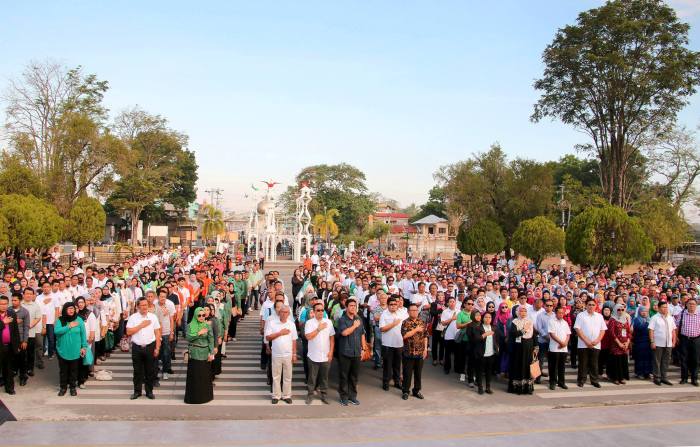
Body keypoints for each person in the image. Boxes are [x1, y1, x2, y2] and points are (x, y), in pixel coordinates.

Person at [125, 297, 161, 400]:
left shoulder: (153, 317)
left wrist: (157, 348)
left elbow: (157, 332)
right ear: (137, 307)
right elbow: (128, 332)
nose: (145, 307)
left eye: (146, 305)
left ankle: (149, 391)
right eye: (142, 305)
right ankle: (137, 392)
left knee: (150, 371)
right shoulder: (133, 318)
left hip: (150, 346)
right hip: (137, 347)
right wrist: (141, 325)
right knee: (137, 371)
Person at [264, 304, 298, 404]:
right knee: (276, 376)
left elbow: (294, 340)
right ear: (279, 312)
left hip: (288, 354)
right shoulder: (272, 323)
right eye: (282, 312)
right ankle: (276, 395)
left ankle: (287, 395)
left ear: (289, 314)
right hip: (276, 354)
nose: (284, 314)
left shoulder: (291, 324)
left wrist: (294, 354)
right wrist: (280, 333)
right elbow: (267, 337)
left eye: (286, 312)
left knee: (288, 376)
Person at [337, 298, 366, 406]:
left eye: (355, 306)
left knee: (354, 376)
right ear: (346, 307)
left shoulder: (359, 319)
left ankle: (352, 397)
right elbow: (344, 333)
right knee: (344, 376)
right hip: (345, 352)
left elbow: (362, 334)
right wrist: (354, 326)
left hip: (356, 352)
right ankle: (343, 397)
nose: (353, 307)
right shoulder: (342, 320)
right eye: (351, 306)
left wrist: (363, 349)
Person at [54, 302, 87, 396]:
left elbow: (83, 335)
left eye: (72, 308)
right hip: (62, 350)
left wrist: (84, 347)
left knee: (74, 370)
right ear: (65, 310)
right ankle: (63, 387)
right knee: (63, 371)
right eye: (69, 309)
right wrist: (68, 326)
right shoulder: (60, 320)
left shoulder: (79, 320)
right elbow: (57, 331)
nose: (71, 310)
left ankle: (73, 387)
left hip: (75, 350)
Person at [304, 302, 335, 405]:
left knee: (324, 377)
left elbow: (332, 338)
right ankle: (310, 395)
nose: (321, 312)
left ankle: (324, 395)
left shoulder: (329, 322)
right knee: (312, 378)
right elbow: (308, 337)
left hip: (325, 356)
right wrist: (318, 329)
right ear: (314, 311)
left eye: (322, 310)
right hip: (313, 356)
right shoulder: (309, 323)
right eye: (318, 310)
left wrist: (331, 352)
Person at [184, 307, 215, 404]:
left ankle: (205, 397)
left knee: (204, 376)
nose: (201, 317)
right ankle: (193, 398)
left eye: (203, 315)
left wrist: (211, 353)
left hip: (205, 354)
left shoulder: (207, 326)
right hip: (194, 354)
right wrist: (199, 333)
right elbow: (188, 338)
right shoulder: (190, 325)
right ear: (195, 315)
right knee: (195, 377)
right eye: (199, 315)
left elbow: (211, 340)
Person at [574, 298, 607, 388]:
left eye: (593, 305)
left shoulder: (599, 316)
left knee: (594, 363)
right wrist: (586, 341)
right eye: (589, 304)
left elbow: (603, 330)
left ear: (596, 306)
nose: (591, 306)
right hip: (583, 344)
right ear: (586, 305)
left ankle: (594, 380)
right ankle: (581, 380)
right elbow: (577, 329)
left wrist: (597, 340)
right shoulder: (581, 315)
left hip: (596, 344)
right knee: (583, 363)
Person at [379, 296, 407, 391]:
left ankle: (397, 382)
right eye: (391, 304)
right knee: (387, 365)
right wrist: (393, 324)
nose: (393, 306)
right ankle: (386, 382)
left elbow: (407, 324)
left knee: (397, 365)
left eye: (395, 304)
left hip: (399, 343)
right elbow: (382, 329)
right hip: (387, 344)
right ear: (388, 305)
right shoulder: (384, 314)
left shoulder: (402, 313)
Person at [400, 303, 428, 400]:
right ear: (408, 312)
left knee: (418, 373)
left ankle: (416, 390)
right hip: (409, 352)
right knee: (407, 373)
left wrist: (425, 349)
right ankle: (405, 391)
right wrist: (416, 330)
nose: (414, 312)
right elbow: (404, 336)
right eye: (412, 310)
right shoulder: (405, 322)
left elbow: (425, 336)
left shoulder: (422, 322)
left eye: (416, 310)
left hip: (420, 352)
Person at [507, 305, 535, 394]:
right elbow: (514, 333)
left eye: (525, 311)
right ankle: (517, 387)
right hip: (518, 347)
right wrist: (523, 330)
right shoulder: (515, 322)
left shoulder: (530, 321)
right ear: (518, 312)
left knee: (527, 365)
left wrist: (536, 346)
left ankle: (527, 387)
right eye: (521, 311)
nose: (523, 313)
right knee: (518, 365)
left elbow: (533, 335)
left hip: (529, 346)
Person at [469, 310, 498, 394]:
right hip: (481, 353)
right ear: (483, 318)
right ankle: (480, 387)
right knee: (479, 371)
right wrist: (485, 334)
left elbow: (496, 339)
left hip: (491, 353)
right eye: (486, 317)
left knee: (489, 371)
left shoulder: (494, 328)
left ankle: (488, 387)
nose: (488, 319)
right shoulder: (478, 328)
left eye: (489, 317)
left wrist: (497, 347)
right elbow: (475, 339)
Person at [649, 300, 677, 386]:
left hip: (668, 343)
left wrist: (674, 341)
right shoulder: (655, 318)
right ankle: (657, 377)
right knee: (657, 361)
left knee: (666, 361)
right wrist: (652, 341)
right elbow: (651, 330)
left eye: (666, 307)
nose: (665, 309)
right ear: (659, 308)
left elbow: (673, 330)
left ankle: (664, 377)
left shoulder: (670, 317)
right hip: (658, 343)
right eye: (663, 307)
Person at [676, 298, 700, 386]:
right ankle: (684, 378)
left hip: (696, 339)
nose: (691, 305)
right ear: (687, 305)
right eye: (690, 304)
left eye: (693, 304)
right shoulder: (682, 314)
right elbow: (677, 326)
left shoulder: (699, 314)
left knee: (696, 360)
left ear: (696, 305)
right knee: (684, 359)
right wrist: (677, 337)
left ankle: (694, 379)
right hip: (684, 339)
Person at [547, 305, 570, 390]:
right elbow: (552, 334)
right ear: (556, 313)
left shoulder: (565, 322)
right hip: (554, 348)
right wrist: (561, 342)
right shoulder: (551, 321)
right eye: (559, 313)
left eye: (562, 313)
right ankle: (552, 382)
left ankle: (561, 382)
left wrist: (565, 343)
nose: (561, 314)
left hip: (563, 348)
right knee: (553, 367)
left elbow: (568, 334)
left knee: (562, 366)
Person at [0, 296, 20, 394]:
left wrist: (17, 346)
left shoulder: (11, 314)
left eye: (5, 304)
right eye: (1, 304)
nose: (3, 306)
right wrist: (3, 323)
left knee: (8, 368)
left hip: (9, 346)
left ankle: (10, 388)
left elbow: (15, 331)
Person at [607, 303, 631, 385]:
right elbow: (611, 333)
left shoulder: (625, 319)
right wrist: (619, 343)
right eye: (618, 309)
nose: (620, 311)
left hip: (624, 344)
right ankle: (615, 378)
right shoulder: (612, 319)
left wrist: (627, 343)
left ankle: (622, 377)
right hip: (615, 344)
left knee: (623, 360)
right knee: (616, 361)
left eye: (622, 310)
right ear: (615, 310)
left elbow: (628, 332)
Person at [632, 306, 653, 379]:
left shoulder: (650, 319)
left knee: (648, 358)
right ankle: (639, 373)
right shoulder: (636, 319)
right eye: (642, 311)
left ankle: (647, 372)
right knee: (640, 358)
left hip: (648, 342)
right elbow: (638, 328)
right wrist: (646, 323)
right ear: (639, 312)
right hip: (639, 342)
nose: (644, 313)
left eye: (646, 312)